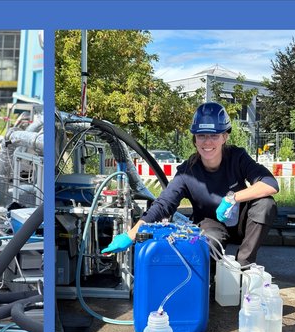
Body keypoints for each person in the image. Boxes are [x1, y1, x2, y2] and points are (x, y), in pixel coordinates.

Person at [102, 102, 279, 267]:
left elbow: (270, 184)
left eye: (214, 135)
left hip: (241, 221)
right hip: (211, 224)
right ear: (194, 139)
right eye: (201, 136)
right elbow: (163, 205)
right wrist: (130, 235)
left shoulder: (237, 158)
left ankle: (244, 267)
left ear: (224, 137)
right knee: (208, 243)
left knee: (265, 204)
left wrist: (233, 198)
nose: (207, 142)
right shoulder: (188, 172)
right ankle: (211, 277)